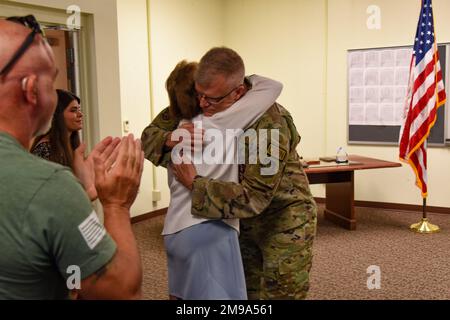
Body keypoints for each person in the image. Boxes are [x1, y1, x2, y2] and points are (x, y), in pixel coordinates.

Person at [142, 47, 317, 300]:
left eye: (211, 99)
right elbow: (149, 136)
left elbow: (254, 197)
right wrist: (171, 138)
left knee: (282, 292)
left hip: (283, 217)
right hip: (232, 217)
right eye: (199, 94)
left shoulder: (267, 124)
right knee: (246, 293)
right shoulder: (203, 98)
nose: (202, 104)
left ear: (238, 92)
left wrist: (195, 183)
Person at [0, 15, 143, 299]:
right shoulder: (49, 185)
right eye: (51, 83)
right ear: (31, 90)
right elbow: (119, 292)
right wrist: (116, 206)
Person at [31, 89, 83, 170]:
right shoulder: (45, 149)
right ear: (58, 115)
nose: (80, 114)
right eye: (73, 110)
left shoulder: (72, 145)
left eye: (79, 110)